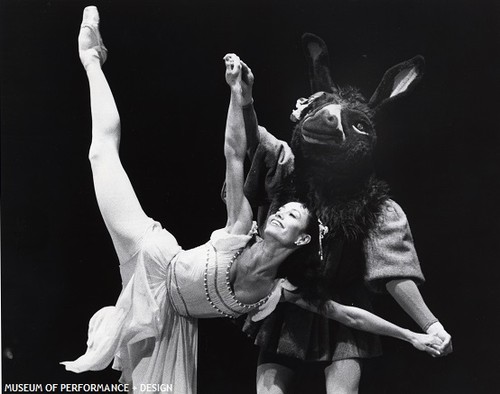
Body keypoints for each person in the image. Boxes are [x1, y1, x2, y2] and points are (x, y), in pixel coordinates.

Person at [61, 7, 443, 394]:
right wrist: (239, 96)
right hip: (153, 253)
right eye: (285, 209)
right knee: (101, 154)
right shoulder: (240, 231)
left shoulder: (279, 290)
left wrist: (415, 335)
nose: (280, 215)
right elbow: (234, 152)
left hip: (172, 319)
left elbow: (352, 317)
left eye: (292, 215)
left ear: (303, 240)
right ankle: (92, 60)